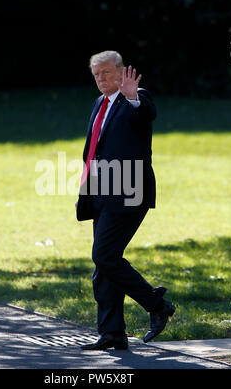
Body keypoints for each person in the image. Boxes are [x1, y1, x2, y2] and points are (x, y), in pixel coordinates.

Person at [75, 50, 175, 351]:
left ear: (121, 71)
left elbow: (145, 113)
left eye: (106, 72)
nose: (100, 78)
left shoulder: (136, 97)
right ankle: (112, 334)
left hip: (129, 191)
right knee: (103, 265)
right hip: (101, 191)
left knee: (104, 256)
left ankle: (157, 305)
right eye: (96, 74)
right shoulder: (99, 103)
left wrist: (132, 97)